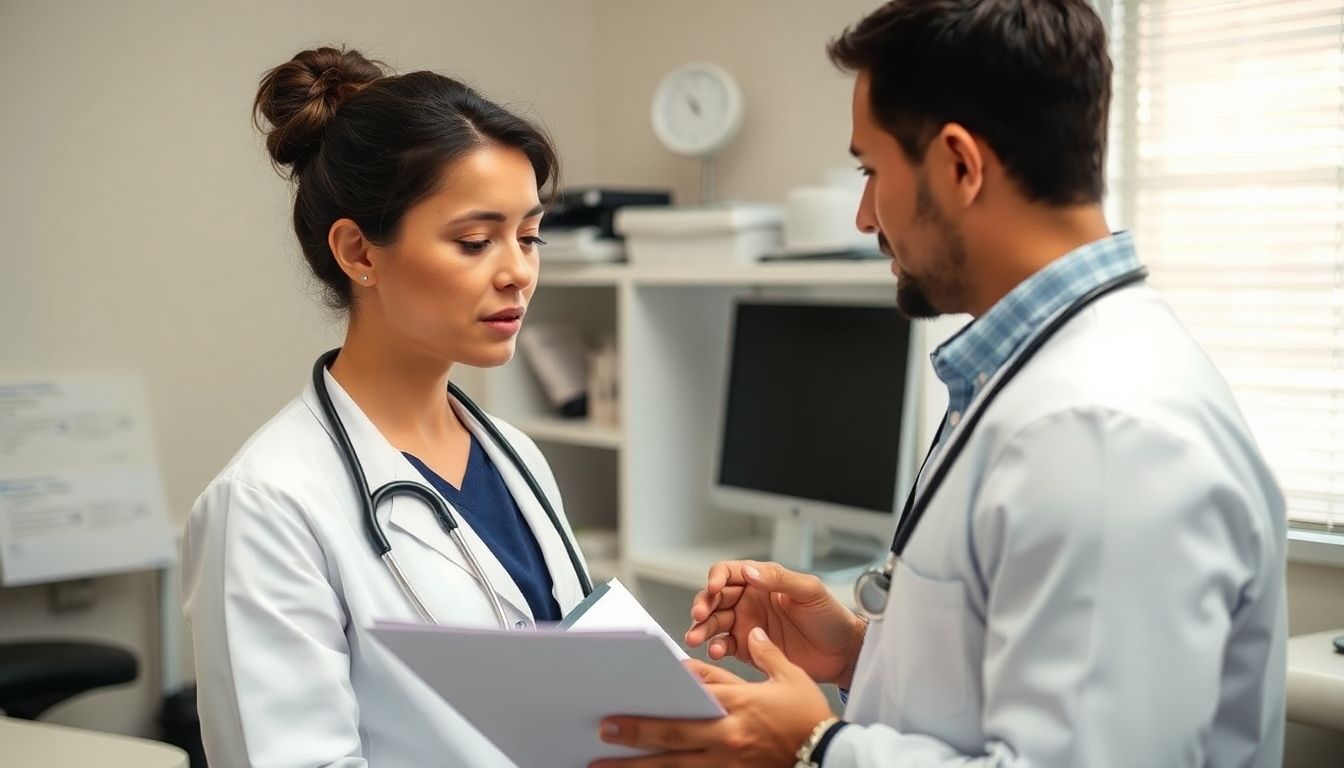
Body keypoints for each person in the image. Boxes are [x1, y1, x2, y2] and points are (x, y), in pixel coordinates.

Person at [591, 2, 1286, 766]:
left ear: (960, 165)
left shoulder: (1101, 429)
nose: (864, 216)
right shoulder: (1032, 375)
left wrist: (814, 744)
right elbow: (1002, 682)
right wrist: (858, 656)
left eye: (870, 171)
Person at [182, 47, 589, 767]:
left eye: (529, 237)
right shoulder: (267, 506)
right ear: (359, 253)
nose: (518, 272)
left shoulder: (514, 458)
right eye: (475, 241)